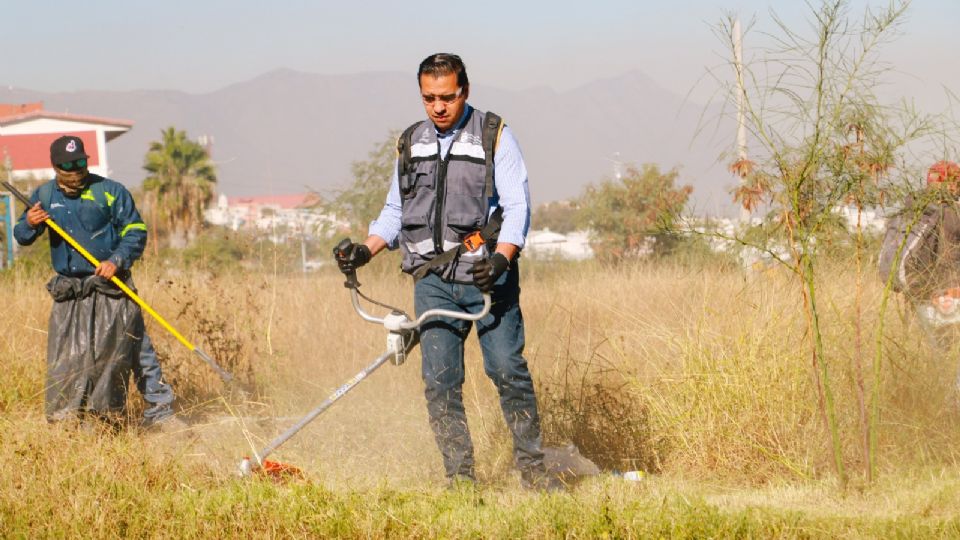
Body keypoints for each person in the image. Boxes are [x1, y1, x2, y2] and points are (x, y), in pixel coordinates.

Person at [334, 53, 560, 490]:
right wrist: (367, 249)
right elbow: (396, 211)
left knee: (507, 370)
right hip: (433, 283)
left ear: (465, 92)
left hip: (487, 280)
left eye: (447, 97)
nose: (438, 107)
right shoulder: (410, 142)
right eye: (428, 98)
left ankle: (533, 473)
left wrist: (501, 259)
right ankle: (460, 481)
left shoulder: (494, 136)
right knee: (440, 382)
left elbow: (517, 207)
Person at [14, 135, 176, 428]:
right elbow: (22, 237)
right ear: (55, 166)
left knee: (136, 348)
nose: (75, 170)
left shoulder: (111, 192)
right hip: (71, 292)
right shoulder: (45, 196)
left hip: (113, 286)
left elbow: (136, 231)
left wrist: (117, 260)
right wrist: (29, 223)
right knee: (70, 356)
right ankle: (73, 417)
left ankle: (160, 410)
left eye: (80, 163)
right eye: (68, 165)